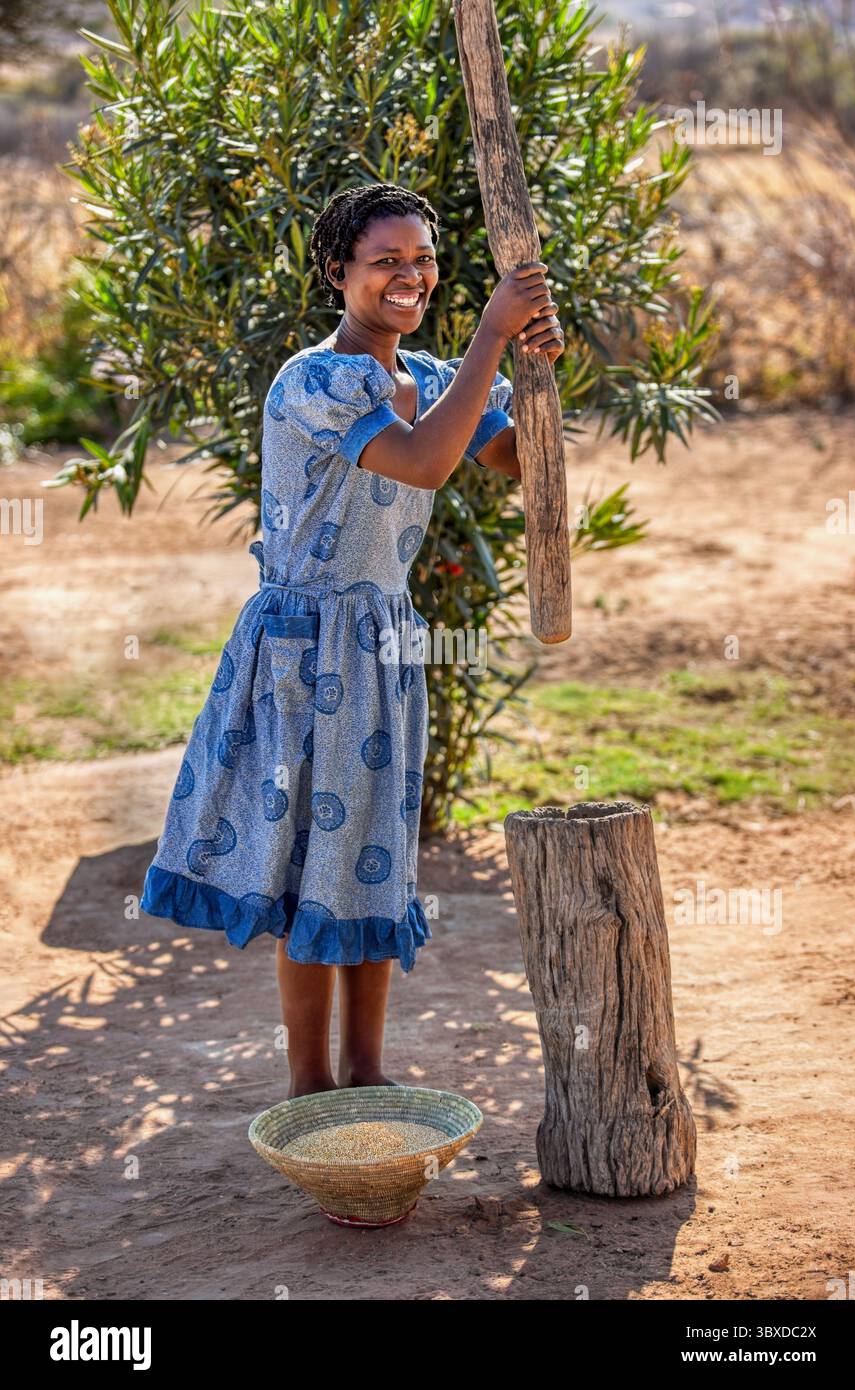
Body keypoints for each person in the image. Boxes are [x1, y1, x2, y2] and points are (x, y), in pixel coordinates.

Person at [140, 181, 563, 1097]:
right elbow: (420, 460)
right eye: (386, 261)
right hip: (301, 653)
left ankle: (366, 1081)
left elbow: (513, 458)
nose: (410, 275)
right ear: (338, 272)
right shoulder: (315, 380)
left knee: (370, 864)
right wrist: (494, 334)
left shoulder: (438, 378)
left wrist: (534, 367)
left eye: (422, 259)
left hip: (382, 650)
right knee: (303, 868)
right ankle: (308, 1089)